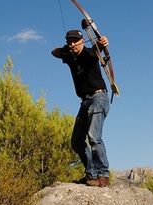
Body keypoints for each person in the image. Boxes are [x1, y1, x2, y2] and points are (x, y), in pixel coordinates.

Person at [51, 30, 111, 187]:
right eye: (70, 41)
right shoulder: (71, 57)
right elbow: (54, 52)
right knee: (76, 142)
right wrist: (66, 50)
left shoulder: (87, 53)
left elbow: (94, 50)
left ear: (82, 41)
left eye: (75, 41)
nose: (72, 44)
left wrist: (100, 43)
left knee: (93, 136)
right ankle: (91, 175)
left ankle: (103, 176)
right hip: (85, 101)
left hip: (98, 97)